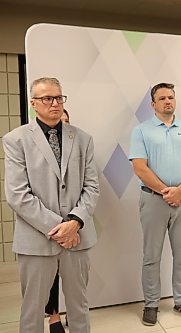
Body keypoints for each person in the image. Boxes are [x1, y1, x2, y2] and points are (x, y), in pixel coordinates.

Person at [3, 77, 99, 333]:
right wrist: (61, 227)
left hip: (77, 239)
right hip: (37, 238)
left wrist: (75, 222)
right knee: (32, 310)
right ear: (34, 103)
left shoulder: (83, 138)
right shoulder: (16, 140)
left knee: (79, 306)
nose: (55, 103)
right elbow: (17, 195)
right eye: (47, 98)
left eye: (59, 98)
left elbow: (92, 187)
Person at [129, 82, 181, 325]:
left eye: (171, 97)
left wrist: (180, 190)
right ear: (153, 104)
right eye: (162, 98)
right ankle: (151, 304)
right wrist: (165, 191)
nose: (167, 101)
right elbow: (139, 167)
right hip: (153, 200)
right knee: (152, 255)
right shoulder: (141, 131)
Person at [44, 108, 72, 332]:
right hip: (46, 226)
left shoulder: (79, 145)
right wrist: (55, 225)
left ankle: (73, 311)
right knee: (51, 275)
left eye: (65, 121)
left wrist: (75, 222)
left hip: (75, 224)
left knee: (76, 276)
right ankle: (53, 315)